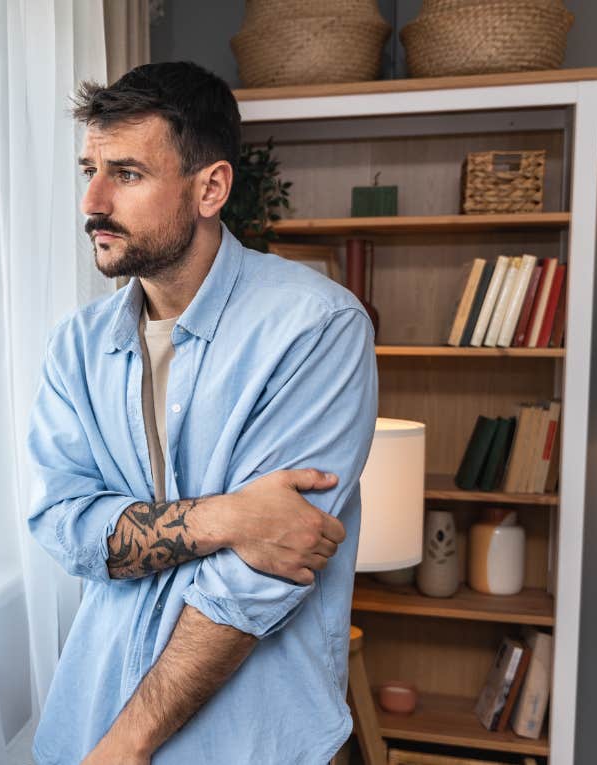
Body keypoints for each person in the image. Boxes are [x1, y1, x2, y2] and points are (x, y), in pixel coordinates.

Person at [26, 61, 378, 764]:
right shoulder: (76, 344)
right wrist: (229, 516)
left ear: (210, 186)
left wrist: (127, 743)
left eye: (125, 173)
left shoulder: (317, 327)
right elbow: (64, 524)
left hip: (246, 739)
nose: (92, 199)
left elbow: (260, 575)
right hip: (85, 716)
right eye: (88, 169)